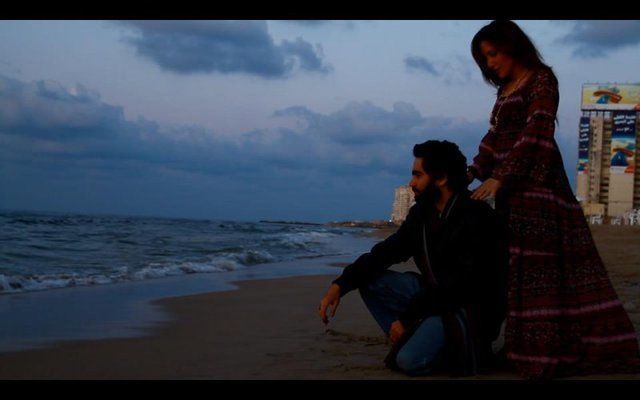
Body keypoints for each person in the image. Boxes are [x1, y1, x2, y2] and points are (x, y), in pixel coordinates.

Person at [467, 20, 640, 380]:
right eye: (484, 59)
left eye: (493, 54)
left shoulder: (541, 79)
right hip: (511, 193)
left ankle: (547, 353)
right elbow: (494, 137)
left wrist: (502, 175)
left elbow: (538, 130)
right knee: (520, 272)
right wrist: (472, 171)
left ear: (511, 46)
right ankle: (523, 350)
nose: (489, 64)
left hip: (540, 189)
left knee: (542, 272)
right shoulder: (504, 91)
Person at [318, 140, 508, 377]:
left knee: (409, 361)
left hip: (467, 311)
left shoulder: (477, 215)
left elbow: (462, 285)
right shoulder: (422, 213)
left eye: (418, 175)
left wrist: (407, 318)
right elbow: (386, 252)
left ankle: (458, 351)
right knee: (369, 279)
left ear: (441, 178)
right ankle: (412, 338)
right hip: (434, 298)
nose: (411, 183)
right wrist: (340, 284)